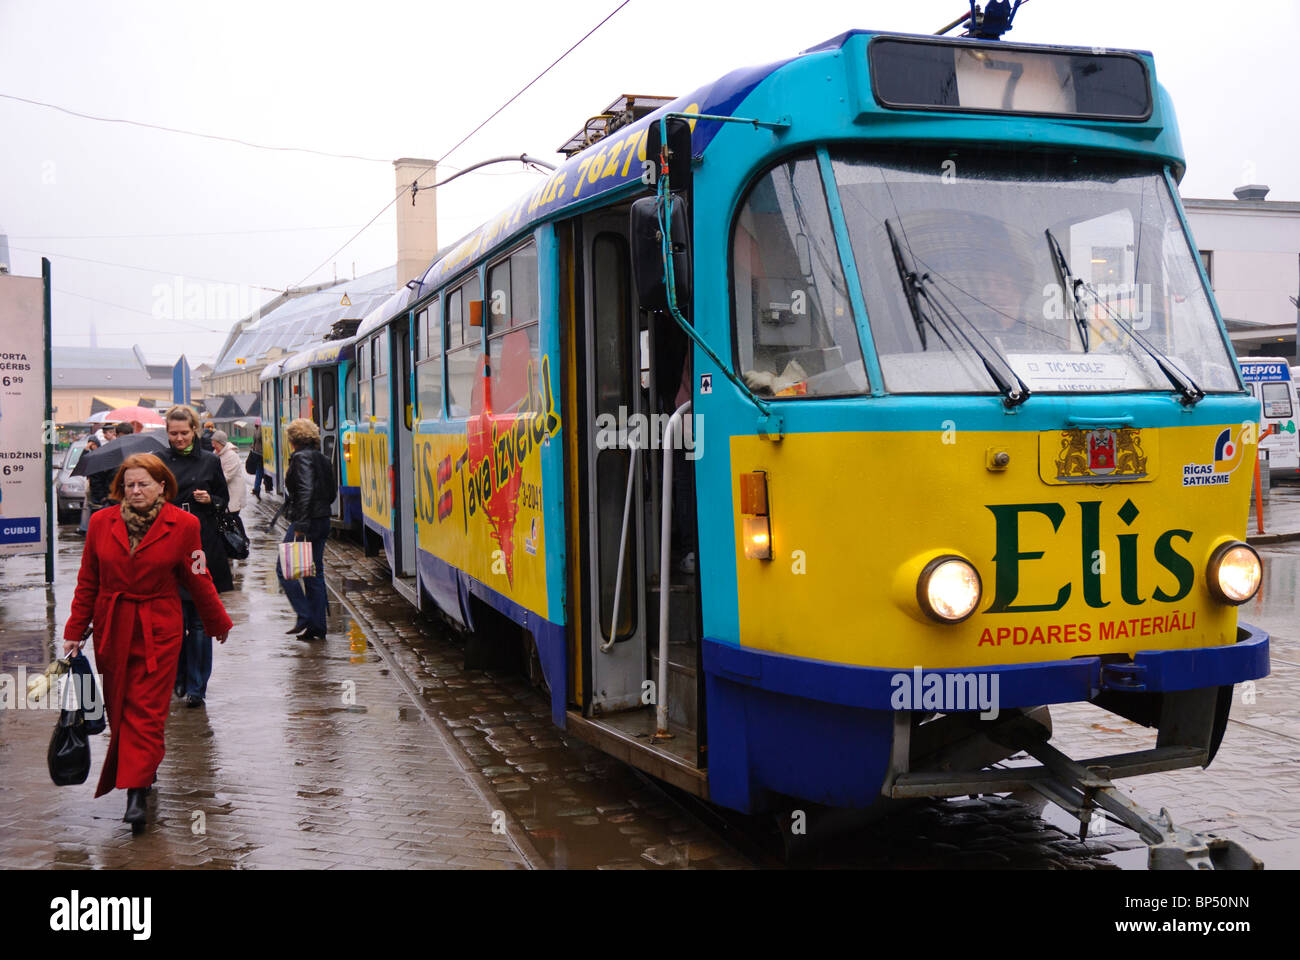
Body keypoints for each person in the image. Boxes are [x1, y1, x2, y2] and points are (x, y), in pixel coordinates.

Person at [62, 453, 232, 830]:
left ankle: (135, 791)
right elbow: (88, 581)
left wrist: (217, 620)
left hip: (159, 630)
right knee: (121, 708)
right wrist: (74, 631)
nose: (135, 491)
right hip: (114, 627)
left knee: (148, 712)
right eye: (129, 484)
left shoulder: (184, 524)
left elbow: (197, 576)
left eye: (143, 484)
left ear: (162, 486)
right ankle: (143, 771)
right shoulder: (102, 522)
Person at [162, 405, 231, 707]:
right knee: (175, 623)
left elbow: (224, 500)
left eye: (184, 432)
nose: (178, 438)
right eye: (173, 433)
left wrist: (210, 499)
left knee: (201, 622)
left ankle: (197, 687)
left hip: (202, 546)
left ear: (195, 430)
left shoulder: (210, 461)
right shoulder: (159, 462)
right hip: (169, 547)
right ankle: (177, 679)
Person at [279, 418, 335, 641]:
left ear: (292, 440)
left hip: (307, 522)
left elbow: (305, 491)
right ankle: (317, 627)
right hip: (322, 519)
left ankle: (305, 616)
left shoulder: (301, 458)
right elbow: (330, 492)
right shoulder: (322, 458)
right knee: (314, 573)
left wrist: (300, 525)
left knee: (285, 568)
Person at [88, 423, 134, 514]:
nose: (125, 441)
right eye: (122, 437)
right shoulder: (107, 454)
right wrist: (103, 499)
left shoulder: (136, 453)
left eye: (128, 437)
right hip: (113, 502)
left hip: (131, 501)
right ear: (116, 436)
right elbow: (96, 478)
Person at [248, 429, 268, 501]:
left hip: (256, 452)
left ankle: (257, 488)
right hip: (261, 453)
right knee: (261, 470)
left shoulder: (256, 430)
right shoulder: (261, 430)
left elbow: (254, 441)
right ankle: (261, 487)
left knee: (259, 470)